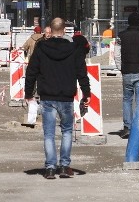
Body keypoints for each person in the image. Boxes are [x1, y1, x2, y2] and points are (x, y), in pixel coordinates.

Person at [24, 17, 90, 179]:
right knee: (67, 131)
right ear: (64, 31)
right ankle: (64, 166)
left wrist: (28, 93)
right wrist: (86, 93)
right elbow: (82, 72)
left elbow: (31, 72)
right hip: (66, 96)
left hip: (47, 96)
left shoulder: (41, 48)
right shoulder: (74, 49)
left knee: (49, 134)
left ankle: (50, 168)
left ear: (50, 31)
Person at [116, 12, 139, 139]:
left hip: (127, 71)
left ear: (128, 22)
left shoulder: (121, 36)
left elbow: (117, 54)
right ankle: (138, 128)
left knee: (127, 99)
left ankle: (127, 127)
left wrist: (121, 68)